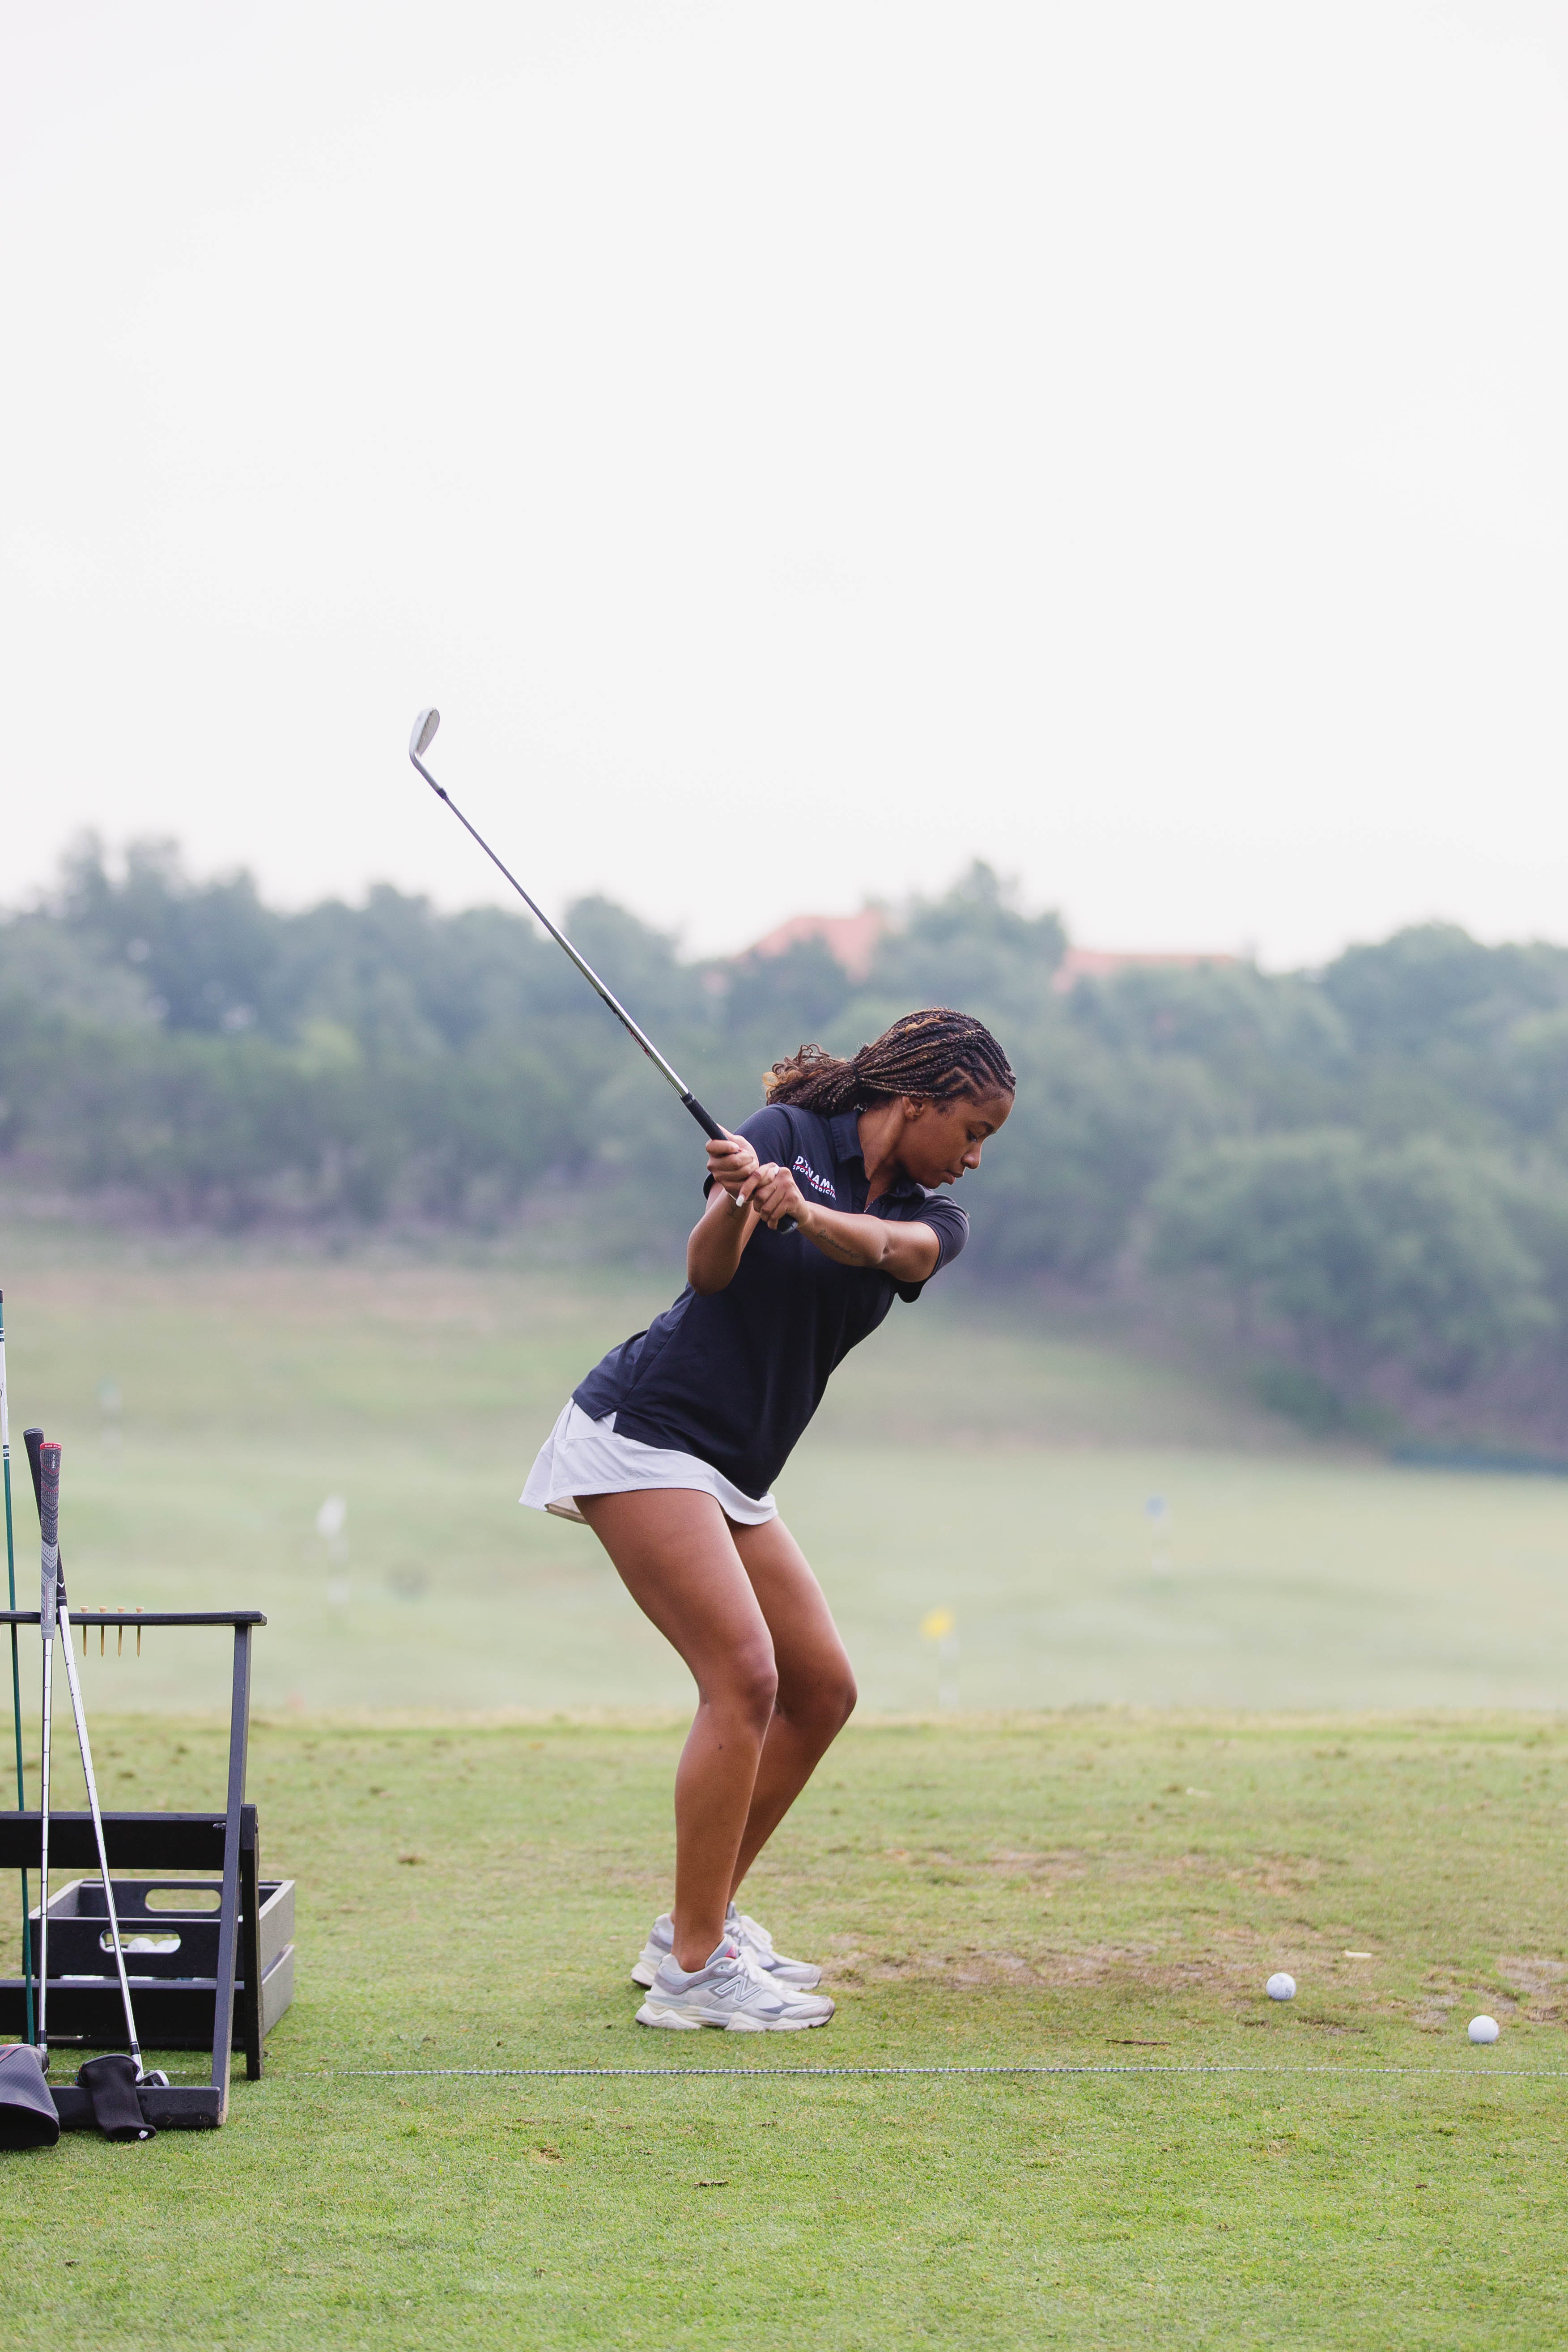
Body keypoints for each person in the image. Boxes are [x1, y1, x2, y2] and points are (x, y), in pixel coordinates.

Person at [521, 1007, 1015, 2029]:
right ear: (915, 1099)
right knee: (744, 1678)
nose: (973, 1156)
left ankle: (687, 1924)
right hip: (646, 1431)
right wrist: (741, 1200)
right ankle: (695, 1971)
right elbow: (706, 1274)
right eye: (970, 1129)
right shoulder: (785, 1133)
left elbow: (891, 1250)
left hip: (734, 1469)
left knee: (821, 1690)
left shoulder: (933, 1214)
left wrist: (805, 1213)